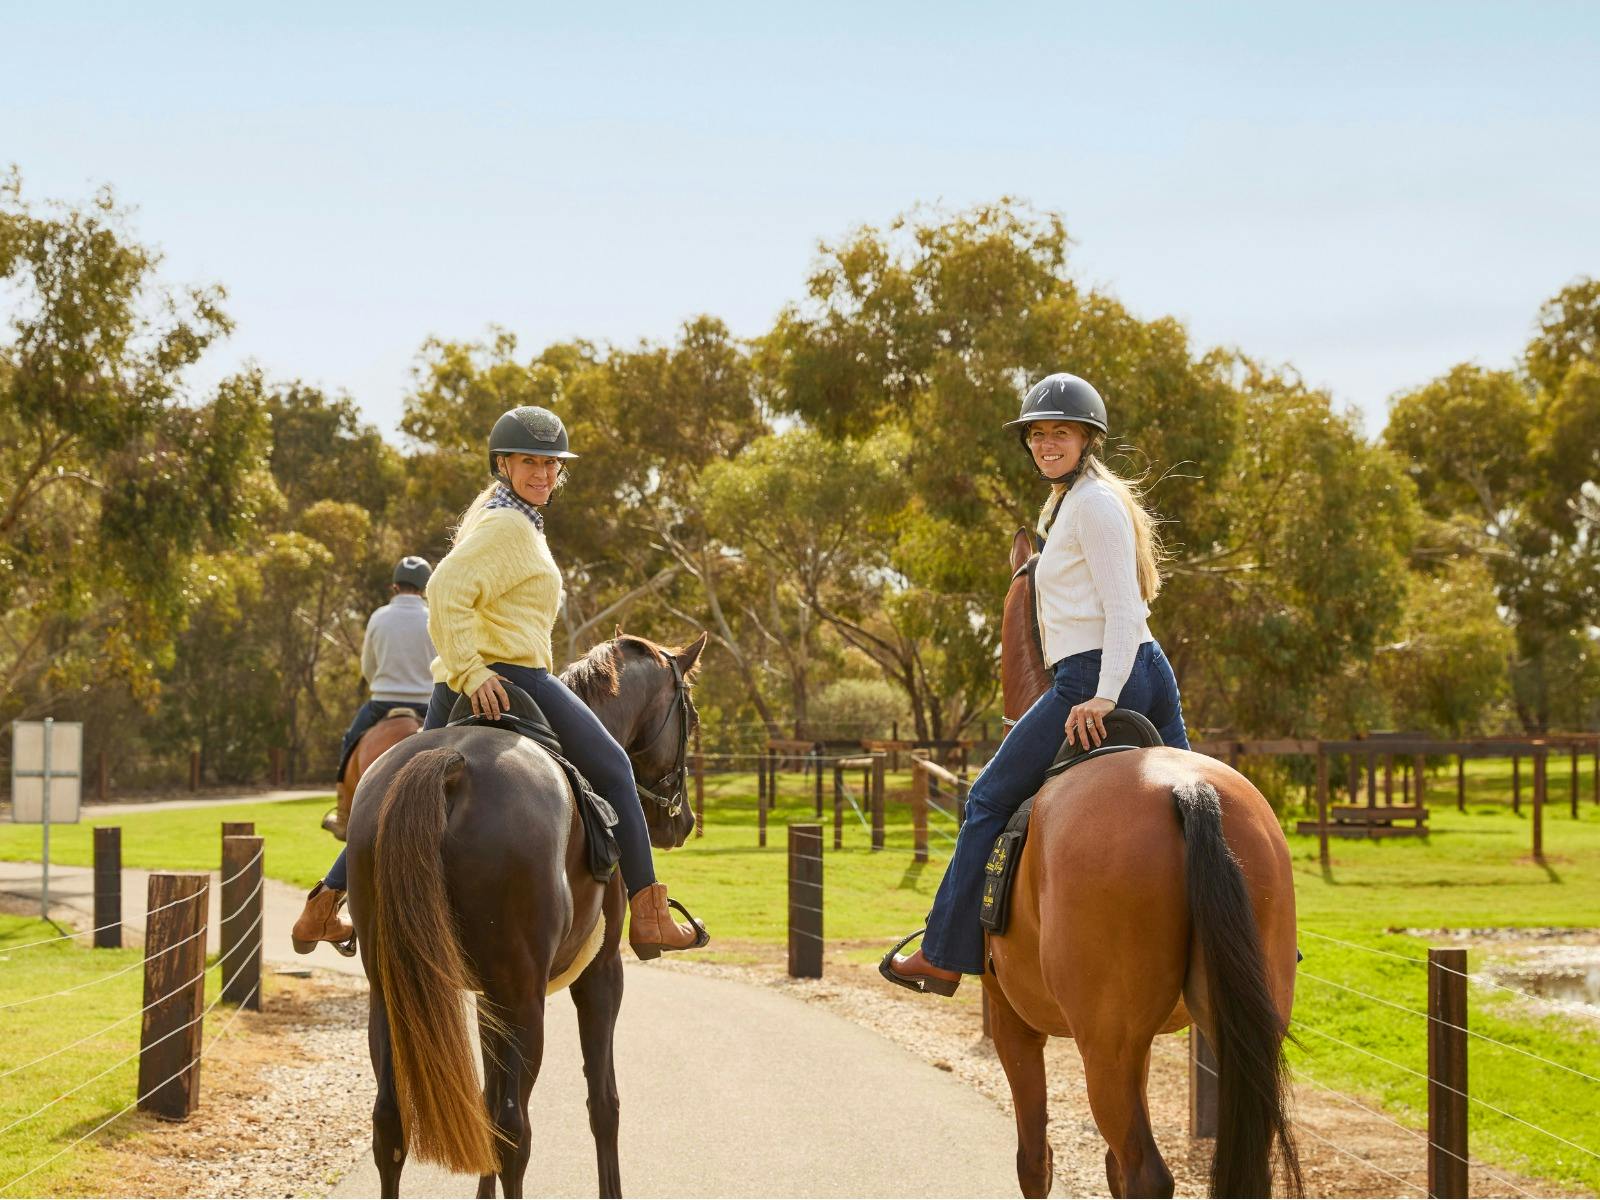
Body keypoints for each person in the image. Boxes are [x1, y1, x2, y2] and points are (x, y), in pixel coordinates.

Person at [292, 405, 706, 959]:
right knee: (614, 767)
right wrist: (475, 668)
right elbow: (445, 591)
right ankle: (651, 916)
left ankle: (321, 908)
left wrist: (463, 672)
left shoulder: (504, 518)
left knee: (394, 794)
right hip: (514, 676)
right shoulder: (509, 526)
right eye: (529, 461)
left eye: (551, 464)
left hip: (455, 687)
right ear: (503, 464)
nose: (541, 473)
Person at [882, 373, 1190, 995]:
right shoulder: (1070, 502)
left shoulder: (1094, 505)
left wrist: (1102, 695)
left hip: (1099, 675)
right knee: (1199, 810)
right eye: (1039, 434)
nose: (1048, 443)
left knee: (988, 800)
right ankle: (1266, 939)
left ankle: (943, 953)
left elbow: (1125, 608)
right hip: (1145, 670)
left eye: (1062, 432)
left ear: (1087, 439)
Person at [324, 557, 436, 838]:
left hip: (382, 701)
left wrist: (382, 682)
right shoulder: (433, 616)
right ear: (424, 588)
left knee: (351, 740)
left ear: (394, 586)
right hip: (428, 703)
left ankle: (342, 812)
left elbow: (368, 666)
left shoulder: (379, 616)